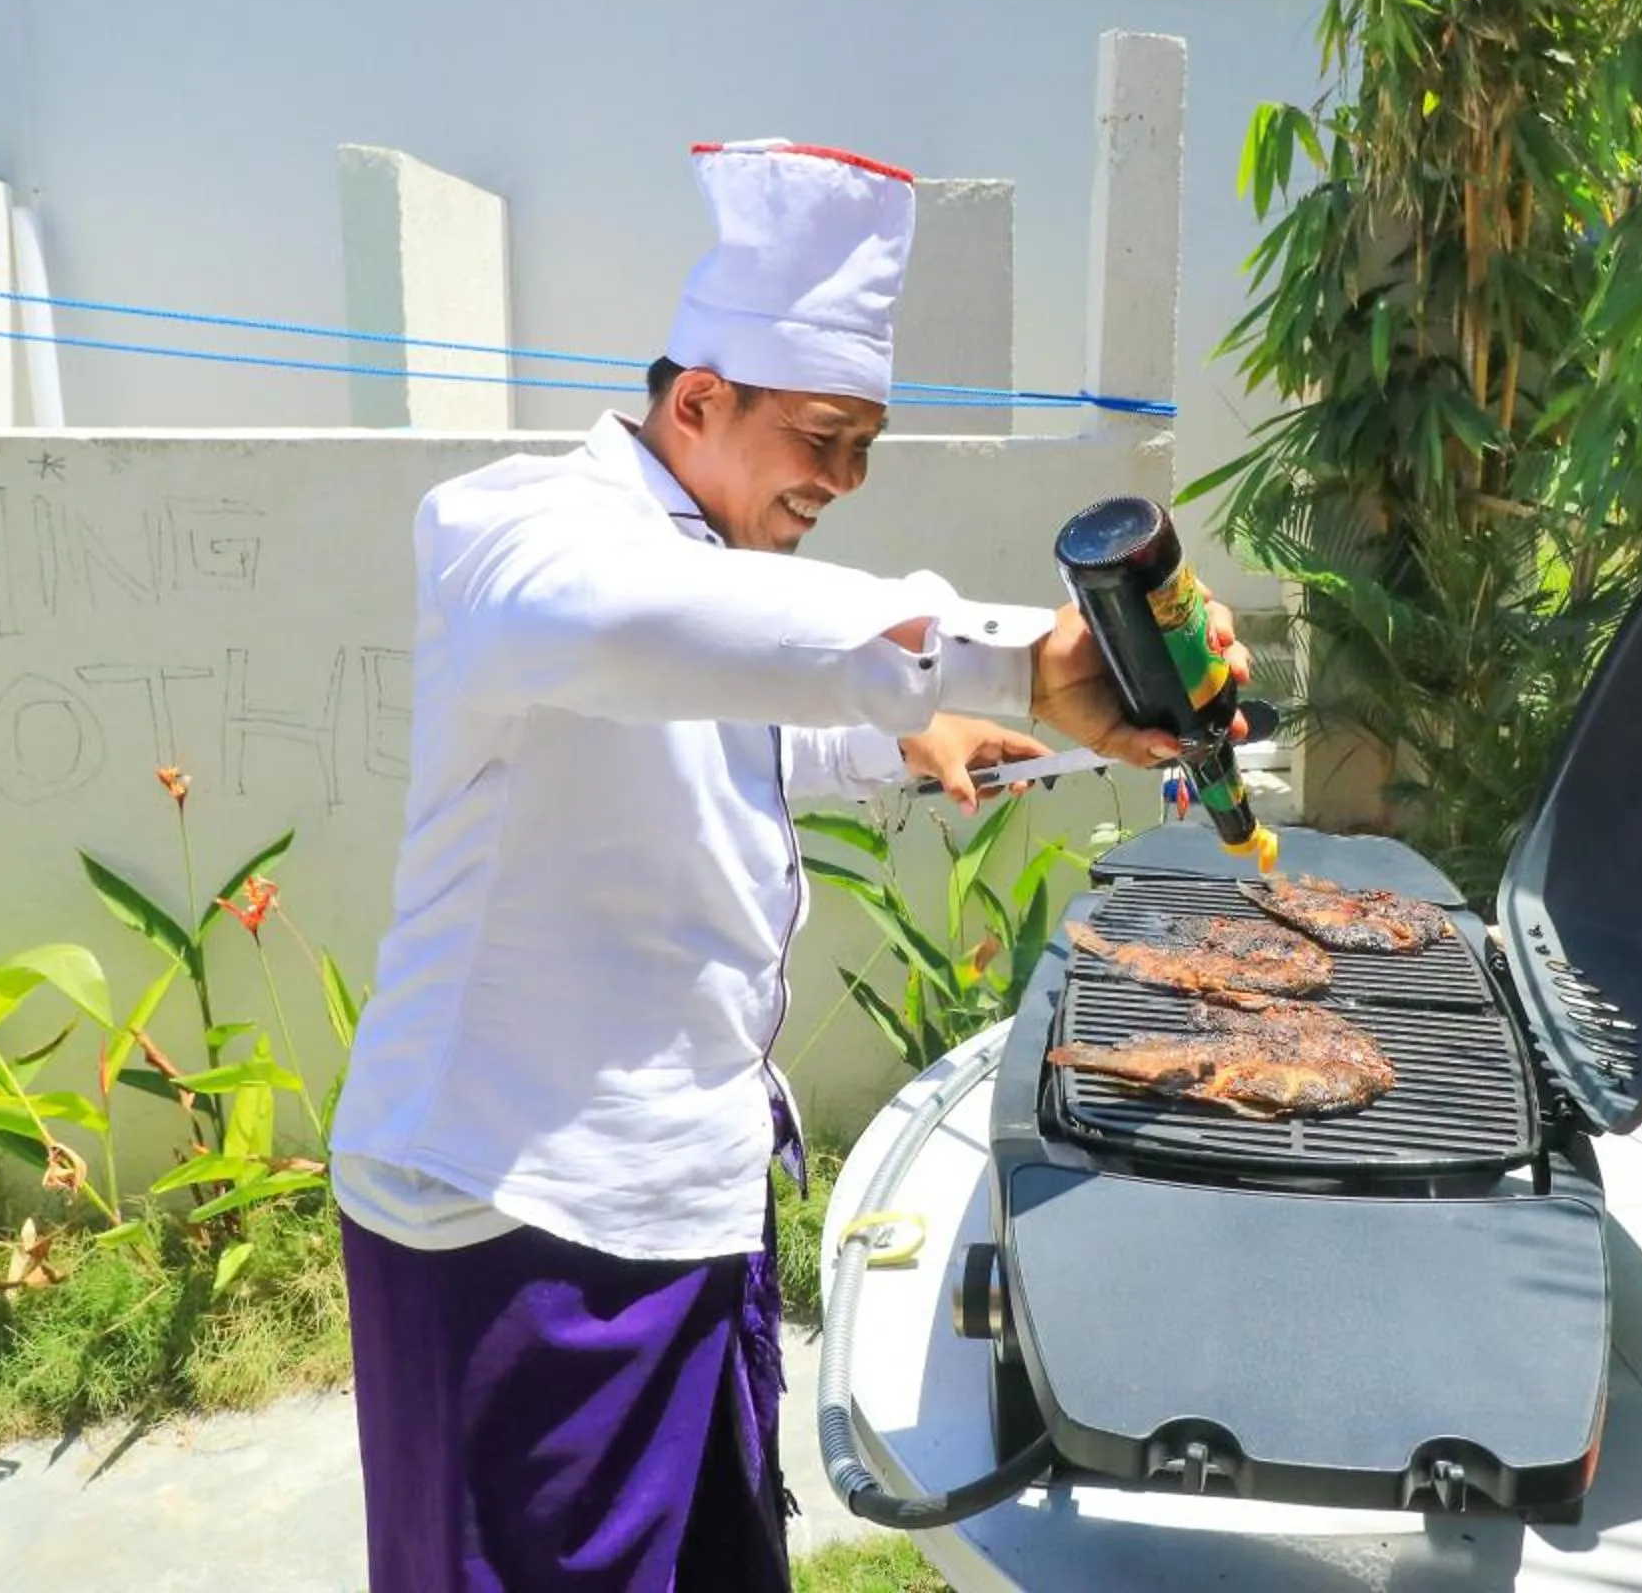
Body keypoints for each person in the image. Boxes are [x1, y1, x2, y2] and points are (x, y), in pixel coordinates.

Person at [327, 138, 1241, 1592]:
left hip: (684, 1199)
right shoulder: (516, 531)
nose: (845, 481)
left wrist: (945, 736)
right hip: (519, 1219)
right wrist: (1003, 657)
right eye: (824, 438)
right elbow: (639, 635)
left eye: (865, 448)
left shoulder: (704, 573)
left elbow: (722, 715)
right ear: (698, 399)